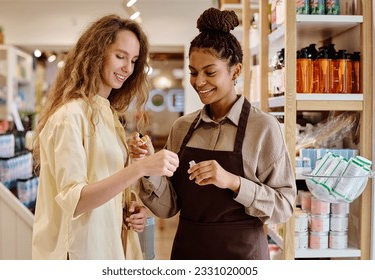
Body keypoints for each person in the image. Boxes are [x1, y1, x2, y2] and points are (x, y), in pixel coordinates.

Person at [128, 7, 296, 260]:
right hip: (188, 252)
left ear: (236, 71)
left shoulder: (263, 127)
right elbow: (168, 207)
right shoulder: (182, 128)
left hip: (242, 256)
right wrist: (151, 166)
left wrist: (233, 182)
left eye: (210, 72)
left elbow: (283, 206)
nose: (199, 82)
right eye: (193, 73)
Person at [31, 14, 179, 260]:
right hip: (78, 253)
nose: (127, 68)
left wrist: (130, 208)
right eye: (120, 56)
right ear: (95, 53)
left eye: (132, 60)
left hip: (108, 248)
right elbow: (76, 200)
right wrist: (141, 167)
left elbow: (104, 184)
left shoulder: (108, 114)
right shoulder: (70, 116)